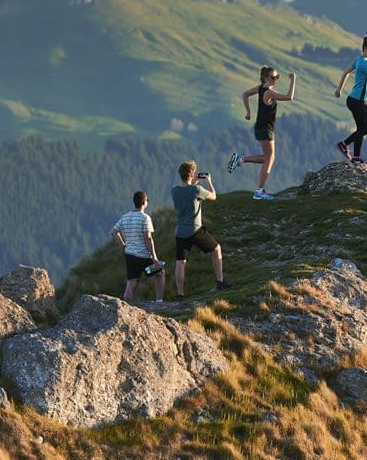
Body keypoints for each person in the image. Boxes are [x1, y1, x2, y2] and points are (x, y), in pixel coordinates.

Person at [227, 66, 297, 200]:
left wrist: (248, 112)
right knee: (269, 158)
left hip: (261, 128)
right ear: (266, 78)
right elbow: (289, 97)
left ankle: (240, 159)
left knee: (268, 158)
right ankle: (259, 191)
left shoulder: (260, 88)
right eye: (273, 77)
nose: (275, 80)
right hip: (266, 129)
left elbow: (245, 94)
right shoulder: (269, 92)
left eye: (277, 77)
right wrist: (293, 79)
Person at [171, 160, 233, 297]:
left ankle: (180, 294)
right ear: (192, 173)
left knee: (180, 263)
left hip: (180, 232)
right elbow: (213, 196)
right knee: (216, 249)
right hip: (195, 230)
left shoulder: (174, 190)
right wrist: (209, 181)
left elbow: (186, 193)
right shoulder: (197, 190)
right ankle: (220, 282)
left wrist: (193, 182)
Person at [110, 190, 165, 305]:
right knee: (160, 273)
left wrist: (123, 245)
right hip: (144, 255)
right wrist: (154, 258)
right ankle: (159, 302)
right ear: (144, 202)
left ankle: (127, 307)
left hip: (130, 255)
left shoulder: (125, 217)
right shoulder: (145, 218)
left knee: (131, 282)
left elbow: (114, 232)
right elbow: (148, 238)